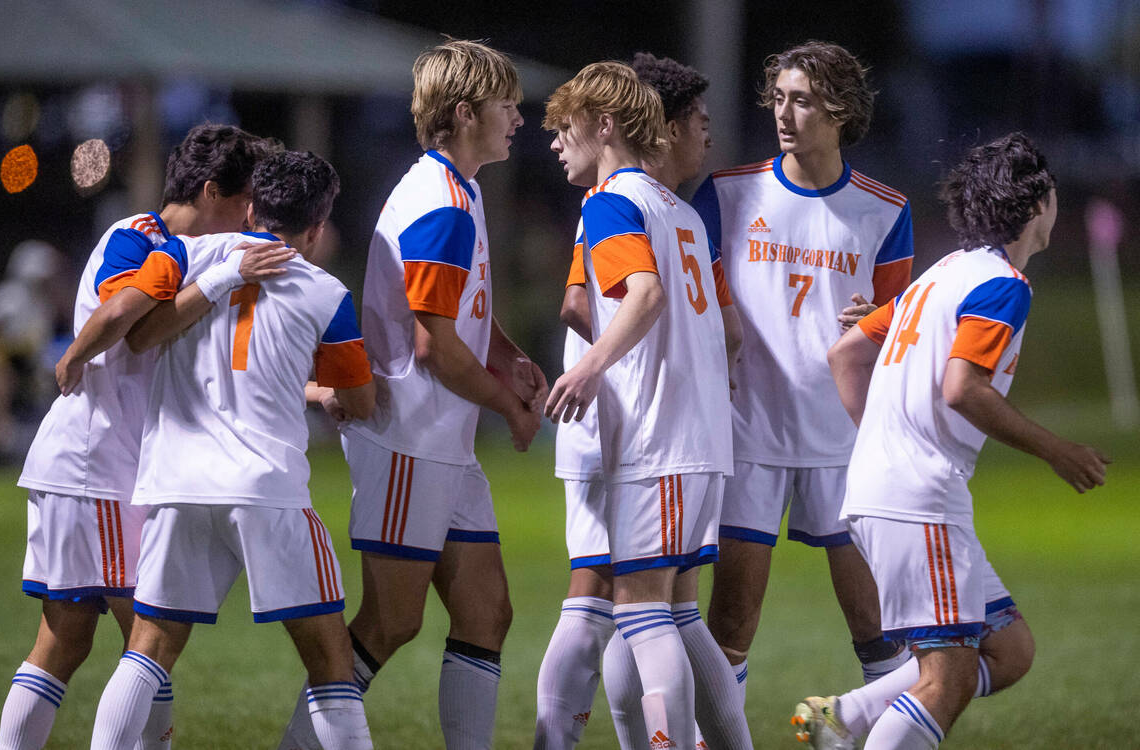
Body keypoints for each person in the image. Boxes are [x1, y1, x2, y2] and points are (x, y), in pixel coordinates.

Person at [803, 132, 1108, 750]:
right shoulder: (1001, 285)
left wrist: (884, 440)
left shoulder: (941, 274)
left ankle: (841, 717)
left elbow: (846, 351)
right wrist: (1058, 450)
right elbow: (962, 387)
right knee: (946, 680)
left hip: (892, 491)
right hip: (919, 498)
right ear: (1035, 202)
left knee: (1009, 648)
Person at [0, 124, 284, 750]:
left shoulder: (181, 251)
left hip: (102, 468)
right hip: (100, 466)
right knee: (148, 637)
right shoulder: (144, 240)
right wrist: (74, 353)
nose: (250, 216)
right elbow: (124, 314)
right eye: (244, 202)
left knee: (70, 640)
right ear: (212, 191)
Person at [89, 150, 376, 750]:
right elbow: (363, 402)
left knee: (149, 647)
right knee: (330, 655)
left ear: (249, 208)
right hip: (265, 488)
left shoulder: (186, 254)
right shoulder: (326, 293)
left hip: (176, 482)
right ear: (318, 228)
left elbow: (140, 336)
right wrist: (335, 391)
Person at [317, 39, 544, 750]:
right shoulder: (442, 204)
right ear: (466, 112)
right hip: (407, 439)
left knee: (487, 613)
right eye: (508, 105)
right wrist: (509, 405)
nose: (520, 118)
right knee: (389, 624)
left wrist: (504, 351)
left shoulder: (456, 189)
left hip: (439, 441)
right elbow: (433, 346)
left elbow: (454, 313)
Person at [534, 52, 748, 750]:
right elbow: (727, 330)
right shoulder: (684, 215)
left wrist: (595, 365)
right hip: (700, 437)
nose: (555, 142)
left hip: (654, 439)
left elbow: (645, 297)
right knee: (677, 614)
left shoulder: (610, 203)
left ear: (602, 124)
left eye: (564, 127)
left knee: (637, 611)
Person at [691, 41, 915, 704]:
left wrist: (878, 319)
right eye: (780, 98)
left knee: (876, 626)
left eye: (804, 100)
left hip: (840, 438)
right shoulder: (728, 194)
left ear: (841, 111)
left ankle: (886, 732)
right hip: (748, 432)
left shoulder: (885, 210)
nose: (785, 113)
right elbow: (693, 289)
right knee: (730, 622)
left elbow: (896, 326)